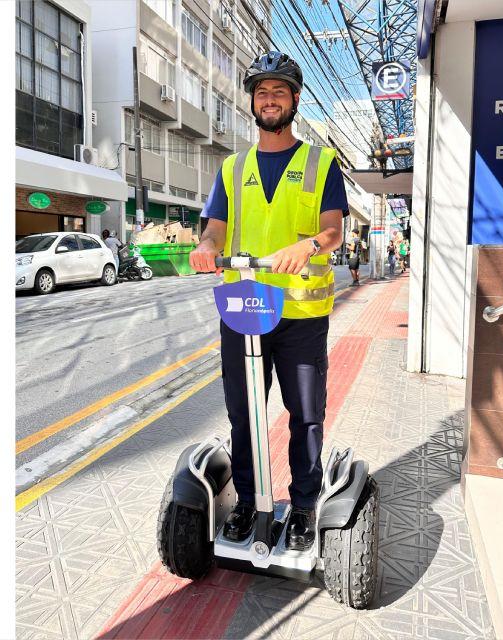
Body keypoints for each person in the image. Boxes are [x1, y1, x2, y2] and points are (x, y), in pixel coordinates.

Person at [189, 51, 348, 551]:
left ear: (295, 100)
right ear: (253, 104)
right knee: (245, 414)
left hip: (301, 314)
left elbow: (334, 231)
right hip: (243, 309)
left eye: (280, 91)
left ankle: (302, 506)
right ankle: (249, 501)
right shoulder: (233, 167)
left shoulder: (321, 162)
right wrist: (206, 248)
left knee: (305, 415)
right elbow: (215, 229)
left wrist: (308, 245)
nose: (270, 99)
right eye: (262, 92)